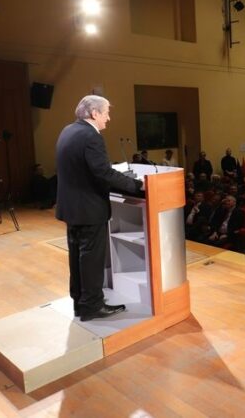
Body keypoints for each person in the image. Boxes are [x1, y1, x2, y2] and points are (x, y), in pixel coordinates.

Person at [56, 95, 143, 322]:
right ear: (94, 113)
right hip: (89, 209)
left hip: (72, 207)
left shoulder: (68, 131)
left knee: (77, 257)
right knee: (91, 259)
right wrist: (136, 185)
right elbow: (103, 172)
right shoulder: (91, 136)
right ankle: (92, 306)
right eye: (106, 113)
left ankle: (80, 302)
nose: (108, 118)